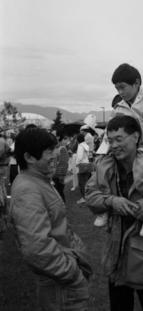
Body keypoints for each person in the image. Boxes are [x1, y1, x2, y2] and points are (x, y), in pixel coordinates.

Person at [85, 115, 143, 311]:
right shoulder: (105, 166)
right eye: (110, 140)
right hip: (116, 259)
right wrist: (111, 201)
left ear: (136, 136)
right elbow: (90, 195)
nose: (114, 145)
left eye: (119, 139)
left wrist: (130, 207)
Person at [9, 127, 92, 311]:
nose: (56, 154)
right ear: (30, 157)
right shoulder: (28, 190)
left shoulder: (39, 180)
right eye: (49, 151)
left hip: (60, 278)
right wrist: (72, 273)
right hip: (59, 283)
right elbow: (36, 248)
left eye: (55, 148)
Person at [94, 63, 143, 237]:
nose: (120, 92)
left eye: (122, 87)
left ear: (136, 83)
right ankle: (104, 207)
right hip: (123, 149)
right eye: (117, 88)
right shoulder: (119, 107)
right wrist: (102, 152)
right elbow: (110, 131)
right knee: (102, 167)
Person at [76, 133, 93, 205]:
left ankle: (84, 198)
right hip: (87, 165)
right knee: (87, 182)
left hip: (81, 166)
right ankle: (89, 197)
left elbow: (79, 157)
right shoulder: (86, 145)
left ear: (77, 140)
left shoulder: (80, 146)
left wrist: (77, 163)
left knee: (82, 183)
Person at [52, 134, 70, 202]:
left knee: (59, 191)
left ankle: (62, 206)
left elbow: (63, 163)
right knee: (57, 192)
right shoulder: (56, 149)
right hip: (56, 174)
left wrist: (61, 176)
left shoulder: (61, 149)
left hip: (58, 175)